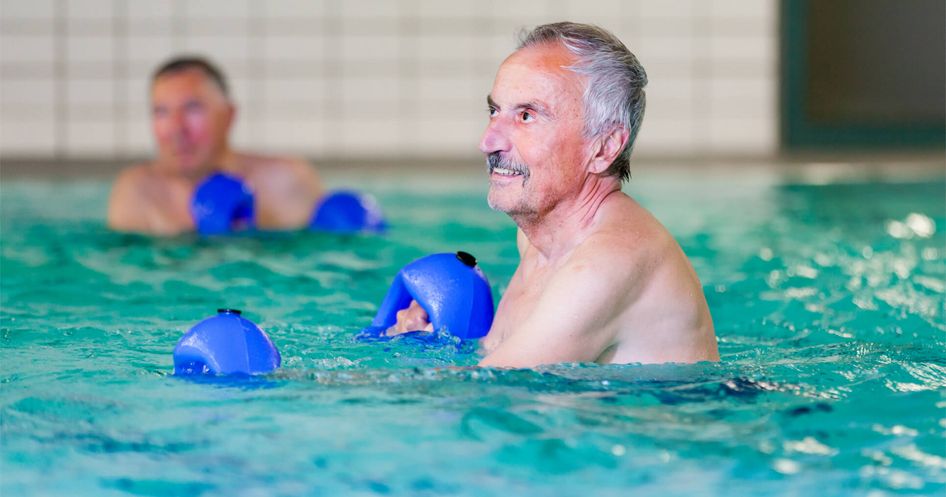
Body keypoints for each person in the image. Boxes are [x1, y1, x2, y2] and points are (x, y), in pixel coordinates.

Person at [388, 22, 719, 367]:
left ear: (604, 147)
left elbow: (485, 390)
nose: (488, 142)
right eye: (494, 111)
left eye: (526, 116)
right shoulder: (537, 238)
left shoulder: (603, 267)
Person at [107, 56, 323, 235]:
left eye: (192, 108)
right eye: (161, 112)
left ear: (229, 115)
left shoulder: (285, 181)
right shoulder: (138, 194)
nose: (176, 129)